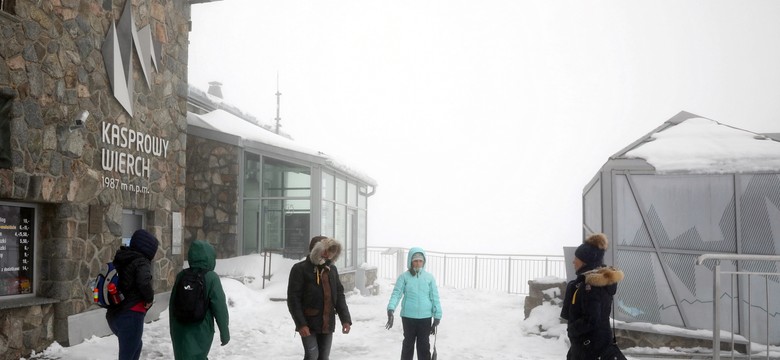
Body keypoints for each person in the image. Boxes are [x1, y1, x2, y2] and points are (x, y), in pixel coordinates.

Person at [560, 233, 625, 360]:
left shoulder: (592, 287)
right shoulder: (589, 283)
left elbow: (592, 319)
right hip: (592, 344)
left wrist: (572, 330)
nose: (573, 261)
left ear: (585, 262)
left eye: (577, 258)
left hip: (590, 347)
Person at [287, 236, 352, 360]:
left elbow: (339, 295)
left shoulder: (331, 269)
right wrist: (301, 324)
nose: (327, 254)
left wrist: (346, 319)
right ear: (315, 250)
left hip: (327, 323)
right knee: (312, 356)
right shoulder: (299, 269)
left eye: (330, 250)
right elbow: (293, 299)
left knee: (323, 357)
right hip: (308, 324)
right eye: (324, 250)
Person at [169, 240, 230, 359]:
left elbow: (172, 305)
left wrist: (173, 329)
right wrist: (224, 332)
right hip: (201, 329)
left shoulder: (181, 275)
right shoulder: (211, 278)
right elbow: (220, 307)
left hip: (180, 329)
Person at [106, 229, 159, 360]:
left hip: (115, 313)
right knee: (128, 354)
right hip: (131, 314)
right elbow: (143, 282)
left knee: (136, 346)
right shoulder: (141, 261)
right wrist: (149, 298)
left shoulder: (122, 257)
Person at [385, 247, 443, 360]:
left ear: (424, 262)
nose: (418, 263)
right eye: (415, 260)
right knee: (408, 345)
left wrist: (437, 316)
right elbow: (396, 294)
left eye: (420, 261)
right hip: (408, 317)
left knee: (424, 346)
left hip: (425, 317)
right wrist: (390, 309)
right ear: (411, 261)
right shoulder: (404, 277)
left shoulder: (429, 278)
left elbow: (435, 298)